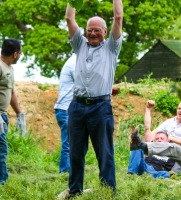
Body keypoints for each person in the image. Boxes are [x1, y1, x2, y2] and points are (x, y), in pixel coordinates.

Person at [65, 0, 123, 197]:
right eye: (90, 29)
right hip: (77, 107)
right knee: (75, 153)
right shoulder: (79, 45)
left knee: (105, 153)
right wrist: (73, 1)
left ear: (105, 32)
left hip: (100, 107)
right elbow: (69, 18)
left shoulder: (111, 48)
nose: (92, 33)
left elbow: (118, 17)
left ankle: (108, 192)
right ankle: (74, 192)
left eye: (97, 30)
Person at [131, 100, 181, 170]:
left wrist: (171, 138)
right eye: (179, 108)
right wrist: (148, 110)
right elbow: (150, 138)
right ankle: (141, 147)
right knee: (163, 149)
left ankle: (143, 148)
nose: (180, 111)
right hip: (170, 156)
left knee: (173, 147)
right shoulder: (170, 122)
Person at [0, 38, 26, 185]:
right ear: (15, 54)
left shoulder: (9, 67)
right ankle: (2, 183)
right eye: (20, 53)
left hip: (3, 117)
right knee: (1, 150)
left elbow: (11, 92)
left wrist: (19, 113)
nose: (20, 56)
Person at [128, 100, 175, 178]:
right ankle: (132, 172)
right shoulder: (151, 148)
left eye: (162, 138)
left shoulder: (170, 156)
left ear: (168, 141)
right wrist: (148, 108)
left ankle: (137, 172)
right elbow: (147, 128)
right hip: (143, 166)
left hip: (155, 171)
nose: (159, 140)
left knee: (165, 174)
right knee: (138, 147)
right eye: (157, 138)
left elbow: (171, 169)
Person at [54, 53, 76, 173]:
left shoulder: (74, 61)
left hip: (66, 109)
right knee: (68, 143)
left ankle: (69, 170)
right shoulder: (75, 63)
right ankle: (65, 171)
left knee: (71, 142)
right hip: (65, 109)